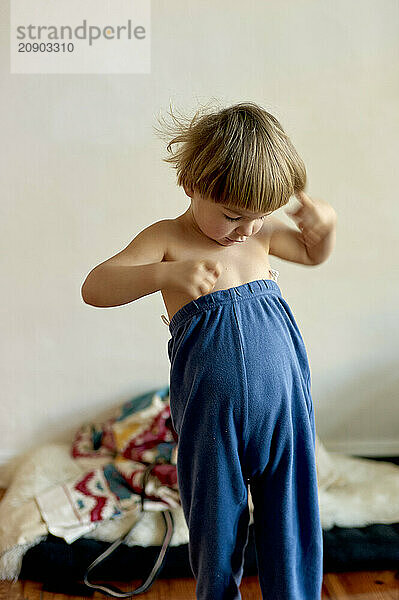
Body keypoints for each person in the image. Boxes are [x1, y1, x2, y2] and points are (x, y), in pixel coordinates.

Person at [81, 101, 337, 600]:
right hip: (211, 415)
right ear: (192, 187)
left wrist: (324, 233)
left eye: (259, 218)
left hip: (284, 405)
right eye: (233, 216)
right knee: (216, 521)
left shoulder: (257, 237)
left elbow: (310, 254)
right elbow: (95, 286)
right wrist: (161, 273)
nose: (245, 230)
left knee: (291, 513)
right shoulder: (167, 239)